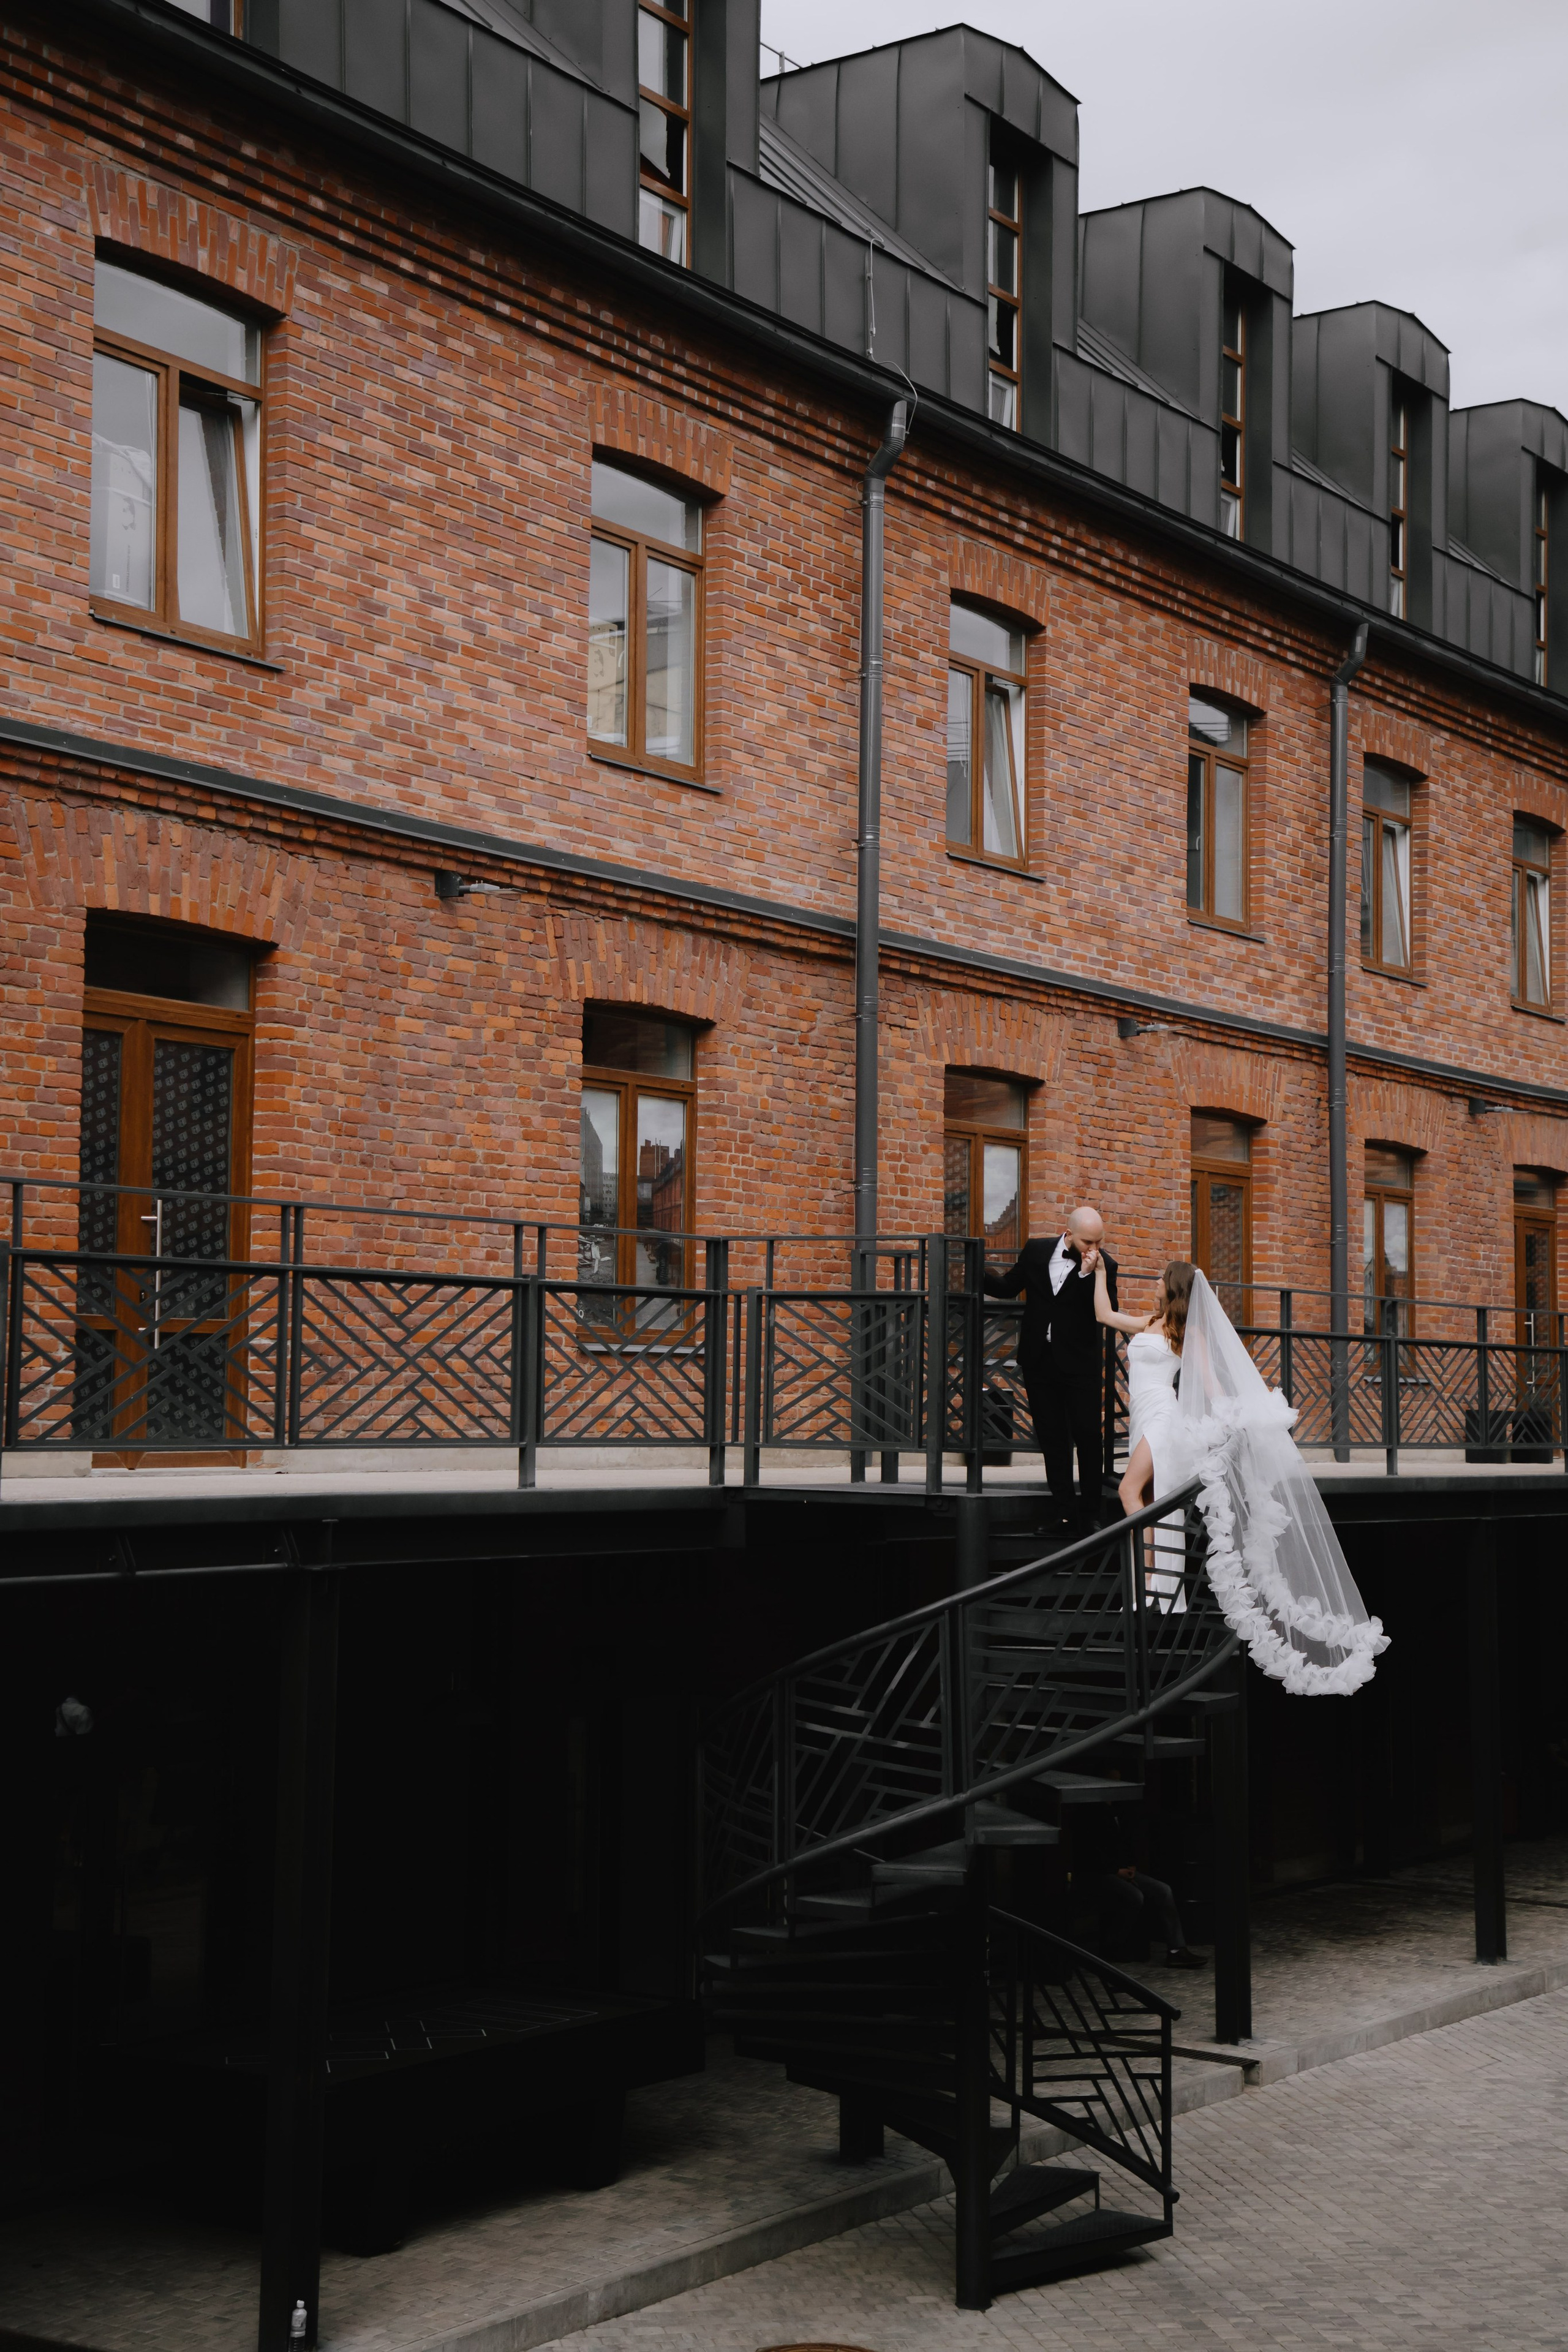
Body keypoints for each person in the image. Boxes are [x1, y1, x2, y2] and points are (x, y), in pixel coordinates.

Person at [982, 1205, 1118, 1536]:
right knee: (1052, 1438)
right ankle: (1064, 1513)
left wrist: (1088, 1274)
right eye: (1088, 1241)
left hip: (1080, 1364)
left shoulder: (1105, 1265)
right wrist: (970, 1265)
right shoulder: (1037, 1250)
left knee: (1088, 1438)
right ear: (1068, 1234)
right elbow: (1007, 1287)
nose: (1094, 1249)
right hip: (1040, 1360)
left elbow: (1107, 1310)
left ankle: (1091, 1515)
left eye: (1099, 1242)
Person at [1090, 1257, 1195, 1610]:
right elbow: (1105, 1315)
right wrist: (1101, 1272)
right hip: (1141, 1416)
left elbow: (1212, 1380)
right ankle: (1153, 1592)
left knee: (1127, 1490)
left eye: (1161, 1279)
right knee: (1149, 1502)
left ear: (1174, 1287)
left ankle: (1146, 1581)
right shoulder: (1150, 1322)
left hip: (1164, 1416)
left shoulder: (1185, 1332)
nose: (1155, 1282)